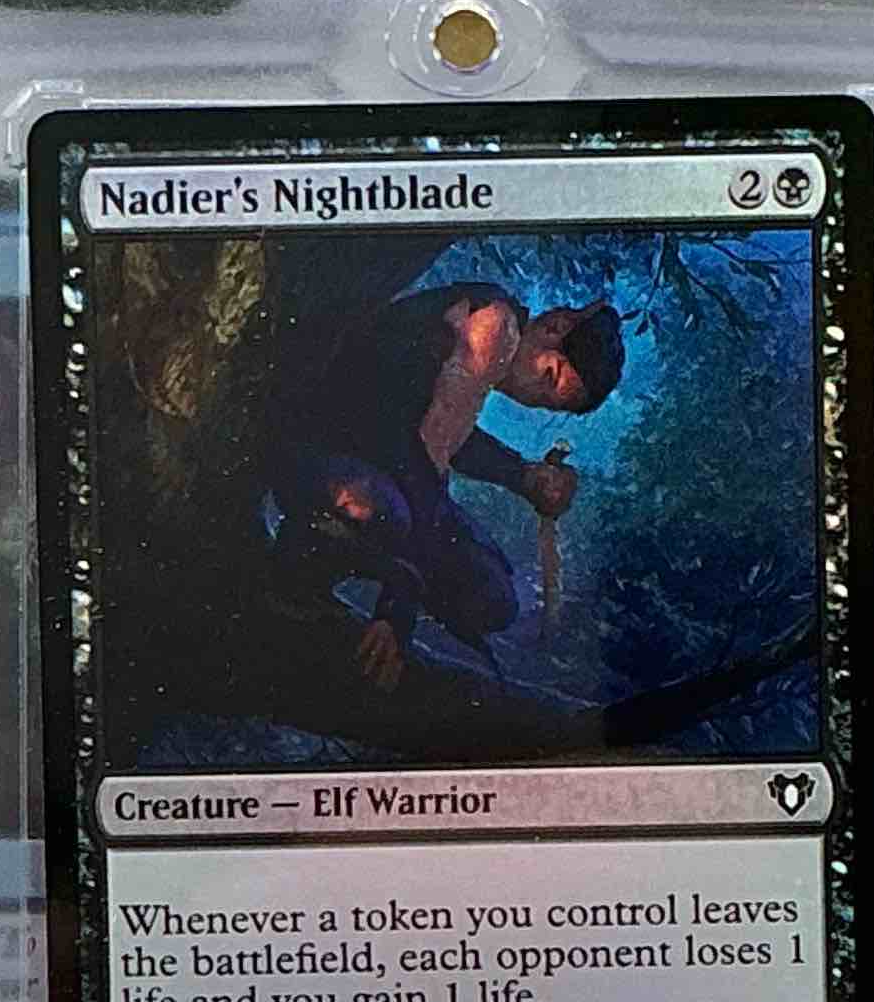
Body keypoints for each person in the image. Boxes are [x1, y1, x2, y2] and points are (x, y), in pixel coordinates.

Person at [265, 279, 626, 693]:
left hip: (385, 472)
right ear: (554, 327)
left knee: (494, 599)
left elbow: (440, 438)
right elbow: (421, 459)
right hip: (323, 455)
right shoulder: (494, 328)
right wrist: (397, 607)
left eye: (547, 402)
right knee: (384, 510)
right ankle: (296, 577)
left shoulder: (494, 341)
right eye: (548, 377)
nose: (531, 396)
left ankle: (329, 578)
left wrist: (523, 476)